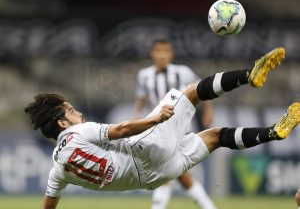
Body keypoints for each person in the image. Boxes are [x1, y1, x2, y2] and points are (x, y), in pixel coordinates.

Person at [25, 47, 299, 209]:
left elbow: (48, 206)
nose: (79, 112)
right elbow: (120, 130)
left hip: (154, 177)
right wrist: (152, 120)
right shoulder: (77, 133)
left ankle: (273, 132)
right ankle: (248, 75)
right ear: (62, 123)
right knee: (190, 92)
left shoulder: (57, 169)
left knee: (216, 136)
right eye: (72, 111)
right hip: (146, 151)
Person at [134, 39, 216, 209]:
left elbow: (202, 88)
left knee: (166, 172)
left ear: (171, 54)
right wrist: (136, 118)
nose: (162, 55)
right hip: (158, 129)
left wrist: (208, 111)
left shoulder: (183, 72)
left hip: (182, 129)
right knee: (177, 174)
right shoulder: (144, 75)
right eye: (158, 51)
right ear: (152, 53)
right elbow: (141, 99)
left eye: (166, 51)